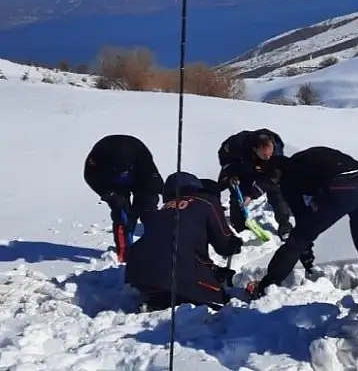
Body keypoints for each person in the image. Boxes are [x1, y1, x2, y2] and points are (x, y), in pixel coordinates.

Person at [244, 146, 358, 300]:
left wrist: (305, 250)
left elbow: (302, 218)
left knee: (296, 241)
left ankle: (265, 287)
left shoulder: (288, 179)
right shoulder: (303, 158)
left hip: (340, 188)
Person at [124, 171, 244, 311]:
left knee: (174, 280)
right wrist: (234, 244)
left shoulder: (161, 210)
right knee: (220, 299)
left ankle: (159, 300)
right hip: (179, 273)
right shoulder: (207, 201)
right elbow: (224, 245)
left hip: (138, 274)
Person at [83, 134, 164, 262]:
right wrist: (109, 194)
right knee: (121, 214)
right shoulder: (98, 156)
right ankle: (125, 254)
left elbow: (151, 182)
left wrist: (140, 206)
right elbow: (91, 177)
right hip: (111, 181)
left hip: (140, 179)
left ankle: (154, 250)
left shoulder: (141, 156)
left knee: (149, 212)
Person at [217, 128, 293, 240]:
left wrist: (252, 195)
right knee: (237, 192)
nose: (268, 157)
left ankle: (284, 225)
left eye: (269, 154)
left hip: (267, 170)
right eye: (264, 155)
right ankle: (239, 225)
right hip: (242, 166)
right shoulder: (237, 144)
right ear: (254, 149)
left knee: (276, 191)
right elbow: (225, 159)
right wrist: (232, 174)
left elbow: (273, 178)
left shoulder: (276, 150)